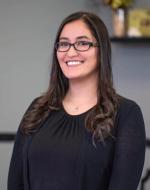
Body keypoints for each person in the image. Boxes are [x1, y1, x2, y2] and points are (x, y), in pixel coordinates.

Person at [8, 11, 146, 190]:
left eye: (82, 43)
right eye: (64, 44)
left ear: (101, 49)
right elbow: (15, 183)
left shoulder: (126, 114)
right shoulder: (37, 109)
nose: (71, 52)